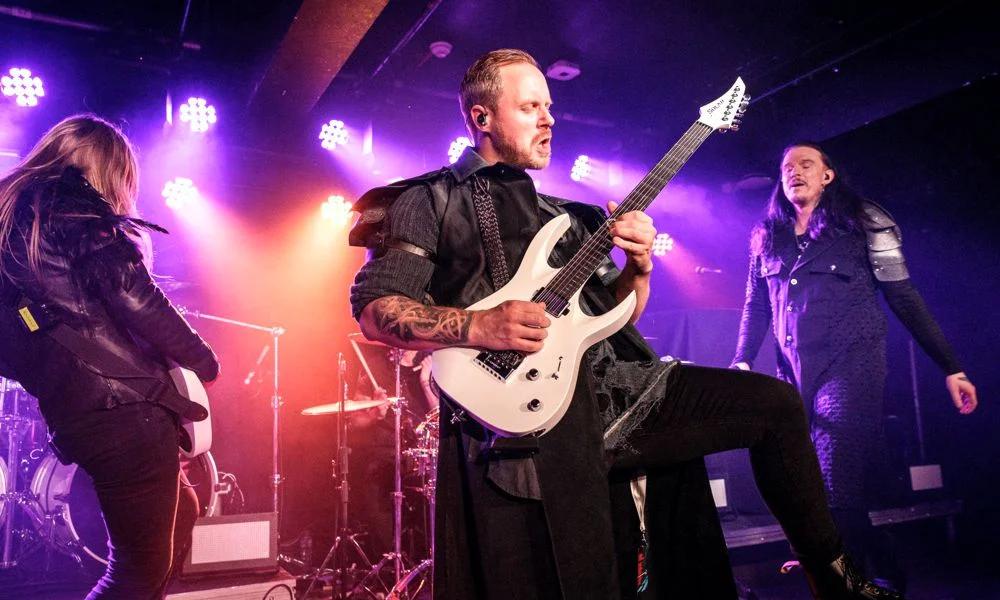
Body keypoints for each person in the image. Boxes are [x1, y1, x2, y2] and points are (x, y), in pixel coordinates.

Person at [349, 49, 899, 599]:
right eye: (531, 107)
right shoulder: (427, 200)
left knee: (774, 403)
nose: (549, 119)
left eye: (550, 107)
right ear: (482, 117)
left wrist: (639, 266)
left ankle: (837, 580)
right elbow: (376, 307)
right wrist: (479, 326)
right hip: (530, 413)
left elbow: (617, 315)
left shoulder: (572, 217)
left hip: (625, 390)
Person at [731, 141, 978, 589]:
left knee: (836, 472)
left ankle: (846, 583)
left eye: (806, 164)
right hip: (793, 372)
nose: (795, 172)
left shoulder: (863, 222)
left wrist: (951, 367)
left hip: (853, 364)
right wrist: (742, 359)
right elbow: (756, 305)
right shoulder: (767, 235)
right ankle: (884, 565)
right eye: (787, 167)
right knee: (812, 481)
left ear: (828, 175)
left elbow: (905, 298)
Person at [0, 115, 220, 599]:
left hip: (78, 414)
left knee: (180, 513)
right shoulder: (72, 204)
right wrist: (203, 359)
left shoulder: (14, 221)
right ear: (108, 169)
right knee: (134, 575)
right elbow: (134, 294)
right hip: (125, 411)